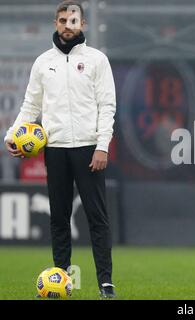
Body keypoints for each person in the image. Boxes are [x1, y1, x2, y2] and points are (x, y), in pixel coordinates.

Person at [4, 0, 116, 298]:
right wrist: (12, 135)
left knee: (97, 217)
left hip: (89, 148)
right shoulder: (43, 62)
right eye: (64, 20)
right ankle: (61, 278)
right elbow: (30, 106)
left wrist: (102, 145)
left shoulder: (96, 60)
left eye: (74, 20)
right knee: (59, 217)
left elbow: (107, 106)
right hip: (54, 150)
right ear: (56, 23)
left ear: (83, 25)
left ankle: (106, 283)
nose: (69, 25)